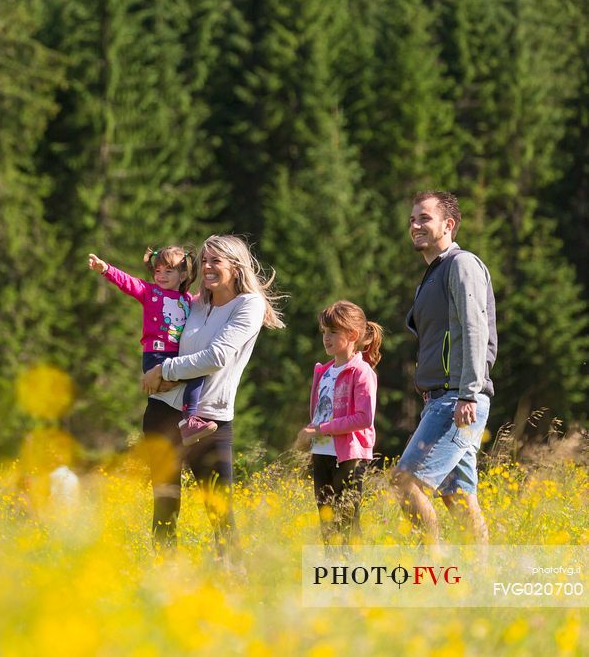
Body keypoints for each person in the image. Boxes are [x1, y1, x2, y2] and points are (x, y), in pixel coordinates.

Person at [139, 235, 285, 553]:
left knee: (220, 512)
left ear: (236, 266)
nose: (207, 266)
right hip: (162, 412)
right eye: (204, 260)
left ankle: (232, 579)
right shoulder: (195, 303)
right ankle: (164, 583)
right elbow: (161, 323)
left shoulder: (249, 305)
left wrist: (163, 372)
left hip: (209, 419)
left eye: (215, 260)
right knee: (164, 505)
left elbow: (216, 357)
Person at [391, 191, 497, 545]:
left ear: (448, 224)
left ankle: (429, 570)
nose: (415, 226)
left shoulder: (460, 264)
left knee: (405, 481)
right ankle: (483, 581)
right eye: (412, 220)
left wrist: (468, 392)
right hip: (444, 399)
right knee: (459, 499)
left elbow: (474, 329)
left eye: (424, 218)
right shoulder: (433, 273)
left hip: (457, 400)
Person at [88, 247, 216, 445]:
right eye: (157, 271)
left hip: (177, 356)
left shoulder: (188, 300)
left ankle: (187, 422)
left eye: (168, 271)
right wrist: (106, 269)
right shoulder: (150, 292)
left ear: (183, 275)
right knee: (194, 374)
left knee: (197, 373)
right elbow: (128, 283)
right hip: (156, 355)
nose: (161, 276)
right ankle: (189, 421)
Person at [301, 300, 382, 546]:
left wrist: (320, 429)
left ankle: (351, 571)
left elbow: (364, 418)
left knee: (347, 519)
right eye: (324, 332)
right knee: (326, 518)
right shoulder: (323, 372)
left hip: (349, 455)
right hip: (322, 452)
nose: (326, 338)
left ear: (353, 335)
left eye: (333, 332)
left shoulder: (361, 372)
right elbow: (319, 414)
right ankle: (331, 572)